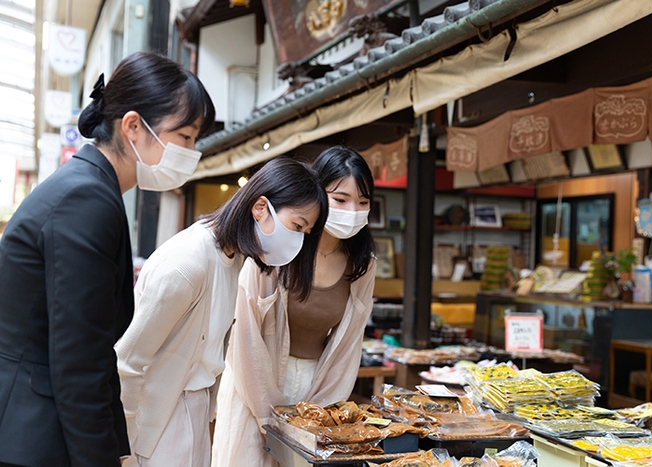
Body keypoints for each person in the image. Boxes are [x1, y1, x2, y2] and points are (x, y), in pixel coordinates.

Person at [0, 51, 215, 466]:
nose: (191, 151)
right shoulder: (87, 198)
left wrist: (120, 451)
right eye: (185, 136)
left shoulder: (92, 188)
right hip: (33, 435)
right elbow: (79, 363)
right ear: (133, 126)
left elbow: (92, 356)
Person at [116, 157, 327, 467]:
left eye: (305, 233)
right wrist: (124, 450)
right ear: (260, 208)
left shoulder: (232, 258)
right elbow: (127, 363)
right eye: (297, 226)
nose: (298, 240)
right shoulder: (187, 264)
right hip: (159, 420)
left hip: (193, 410)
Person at [211, 146, 377, 467]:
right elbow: (245, 335)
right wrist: (267, 416)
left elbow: (348, 346)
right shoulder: (279, 246)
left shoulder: (362, 264)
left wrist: (319, 413)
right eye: (341, 199)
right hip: (254, 384)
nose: (353, 210)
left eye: (364, 202)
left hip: (317, 388)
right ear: (316, 195)